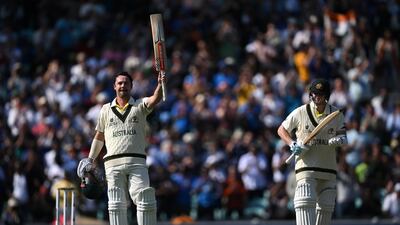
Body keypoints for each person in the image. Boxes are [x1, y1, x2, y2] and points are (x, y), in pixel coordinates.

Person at [77, 71, 166, 225]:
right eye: (119, 83)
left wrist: (160, 84)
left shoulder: (139, 105)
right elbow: (99, 137)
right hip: (112, 164)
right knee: (116, 204)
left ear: (131, 86)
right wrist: (90, 159)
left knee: (145, 199)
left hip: (136, 162)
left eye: (126, 83)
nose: (122, 85)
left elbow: (155, 98)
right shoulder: (105, 109)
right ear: (114, 86)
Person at [277, 79, 347, 225]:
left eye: (320, 94)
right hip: (306, 167)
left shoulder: (336, 114)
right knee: (305, 201)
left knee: (326, 207)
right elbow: (281, 129)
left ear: (327, 95)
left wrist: (339, 140)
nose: (317, 97)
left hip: (328, 168)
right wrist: (292, 143)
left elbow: (343, 136)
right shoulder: (301, 112)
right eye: (314, 94)